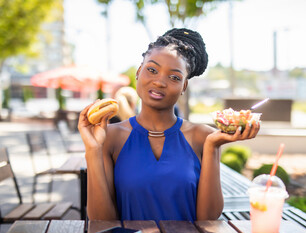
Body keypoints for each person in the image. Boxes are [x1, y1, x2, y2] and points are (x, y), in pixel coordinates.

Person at [78, 28, 260, 223]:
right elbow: (102, 221)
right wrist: (93, 150)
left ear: (184, 86)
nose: (160, 82)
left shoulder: (203, 136)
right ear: (139, 72)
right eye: (152, 70)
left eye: (174, 77)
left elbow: (208, 219)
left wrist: (212, 147)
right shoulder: (109, 136)